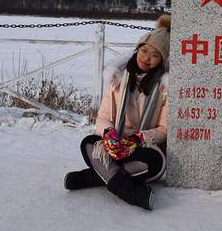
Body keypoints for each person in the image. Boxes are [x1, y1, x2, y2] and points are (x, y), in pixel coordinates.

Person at [64, 14, 170, 211]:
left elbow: (164, 129)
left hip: (144, 146)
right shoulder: (118, 79)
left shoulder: (164, 88)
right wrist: (109, 134)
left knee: (152, 163)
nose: (147, 57)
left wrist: (139, 138)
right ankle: (132, 193)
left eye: (155, 55)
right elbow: (103, 117)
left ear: (161, 60)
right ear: (137, 50)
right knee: (89, 143)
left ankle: (93, 176)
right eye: (144, 50)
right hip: (116, 144)